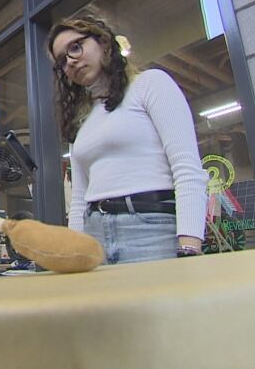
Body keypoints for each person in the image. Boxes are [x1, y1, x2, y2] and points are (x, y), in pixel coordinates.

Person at [47, 15, 208, 264]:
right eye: (62, 61)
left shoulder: (150, 84)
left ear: (103, 43)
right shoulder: (80, 120)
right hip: (94, 235)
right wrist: (74, 252)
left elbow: (187, 169)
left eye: (76, 47)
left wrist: (189, 247)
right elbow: (79, 199)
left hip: (150, 229)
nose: (70, 61)